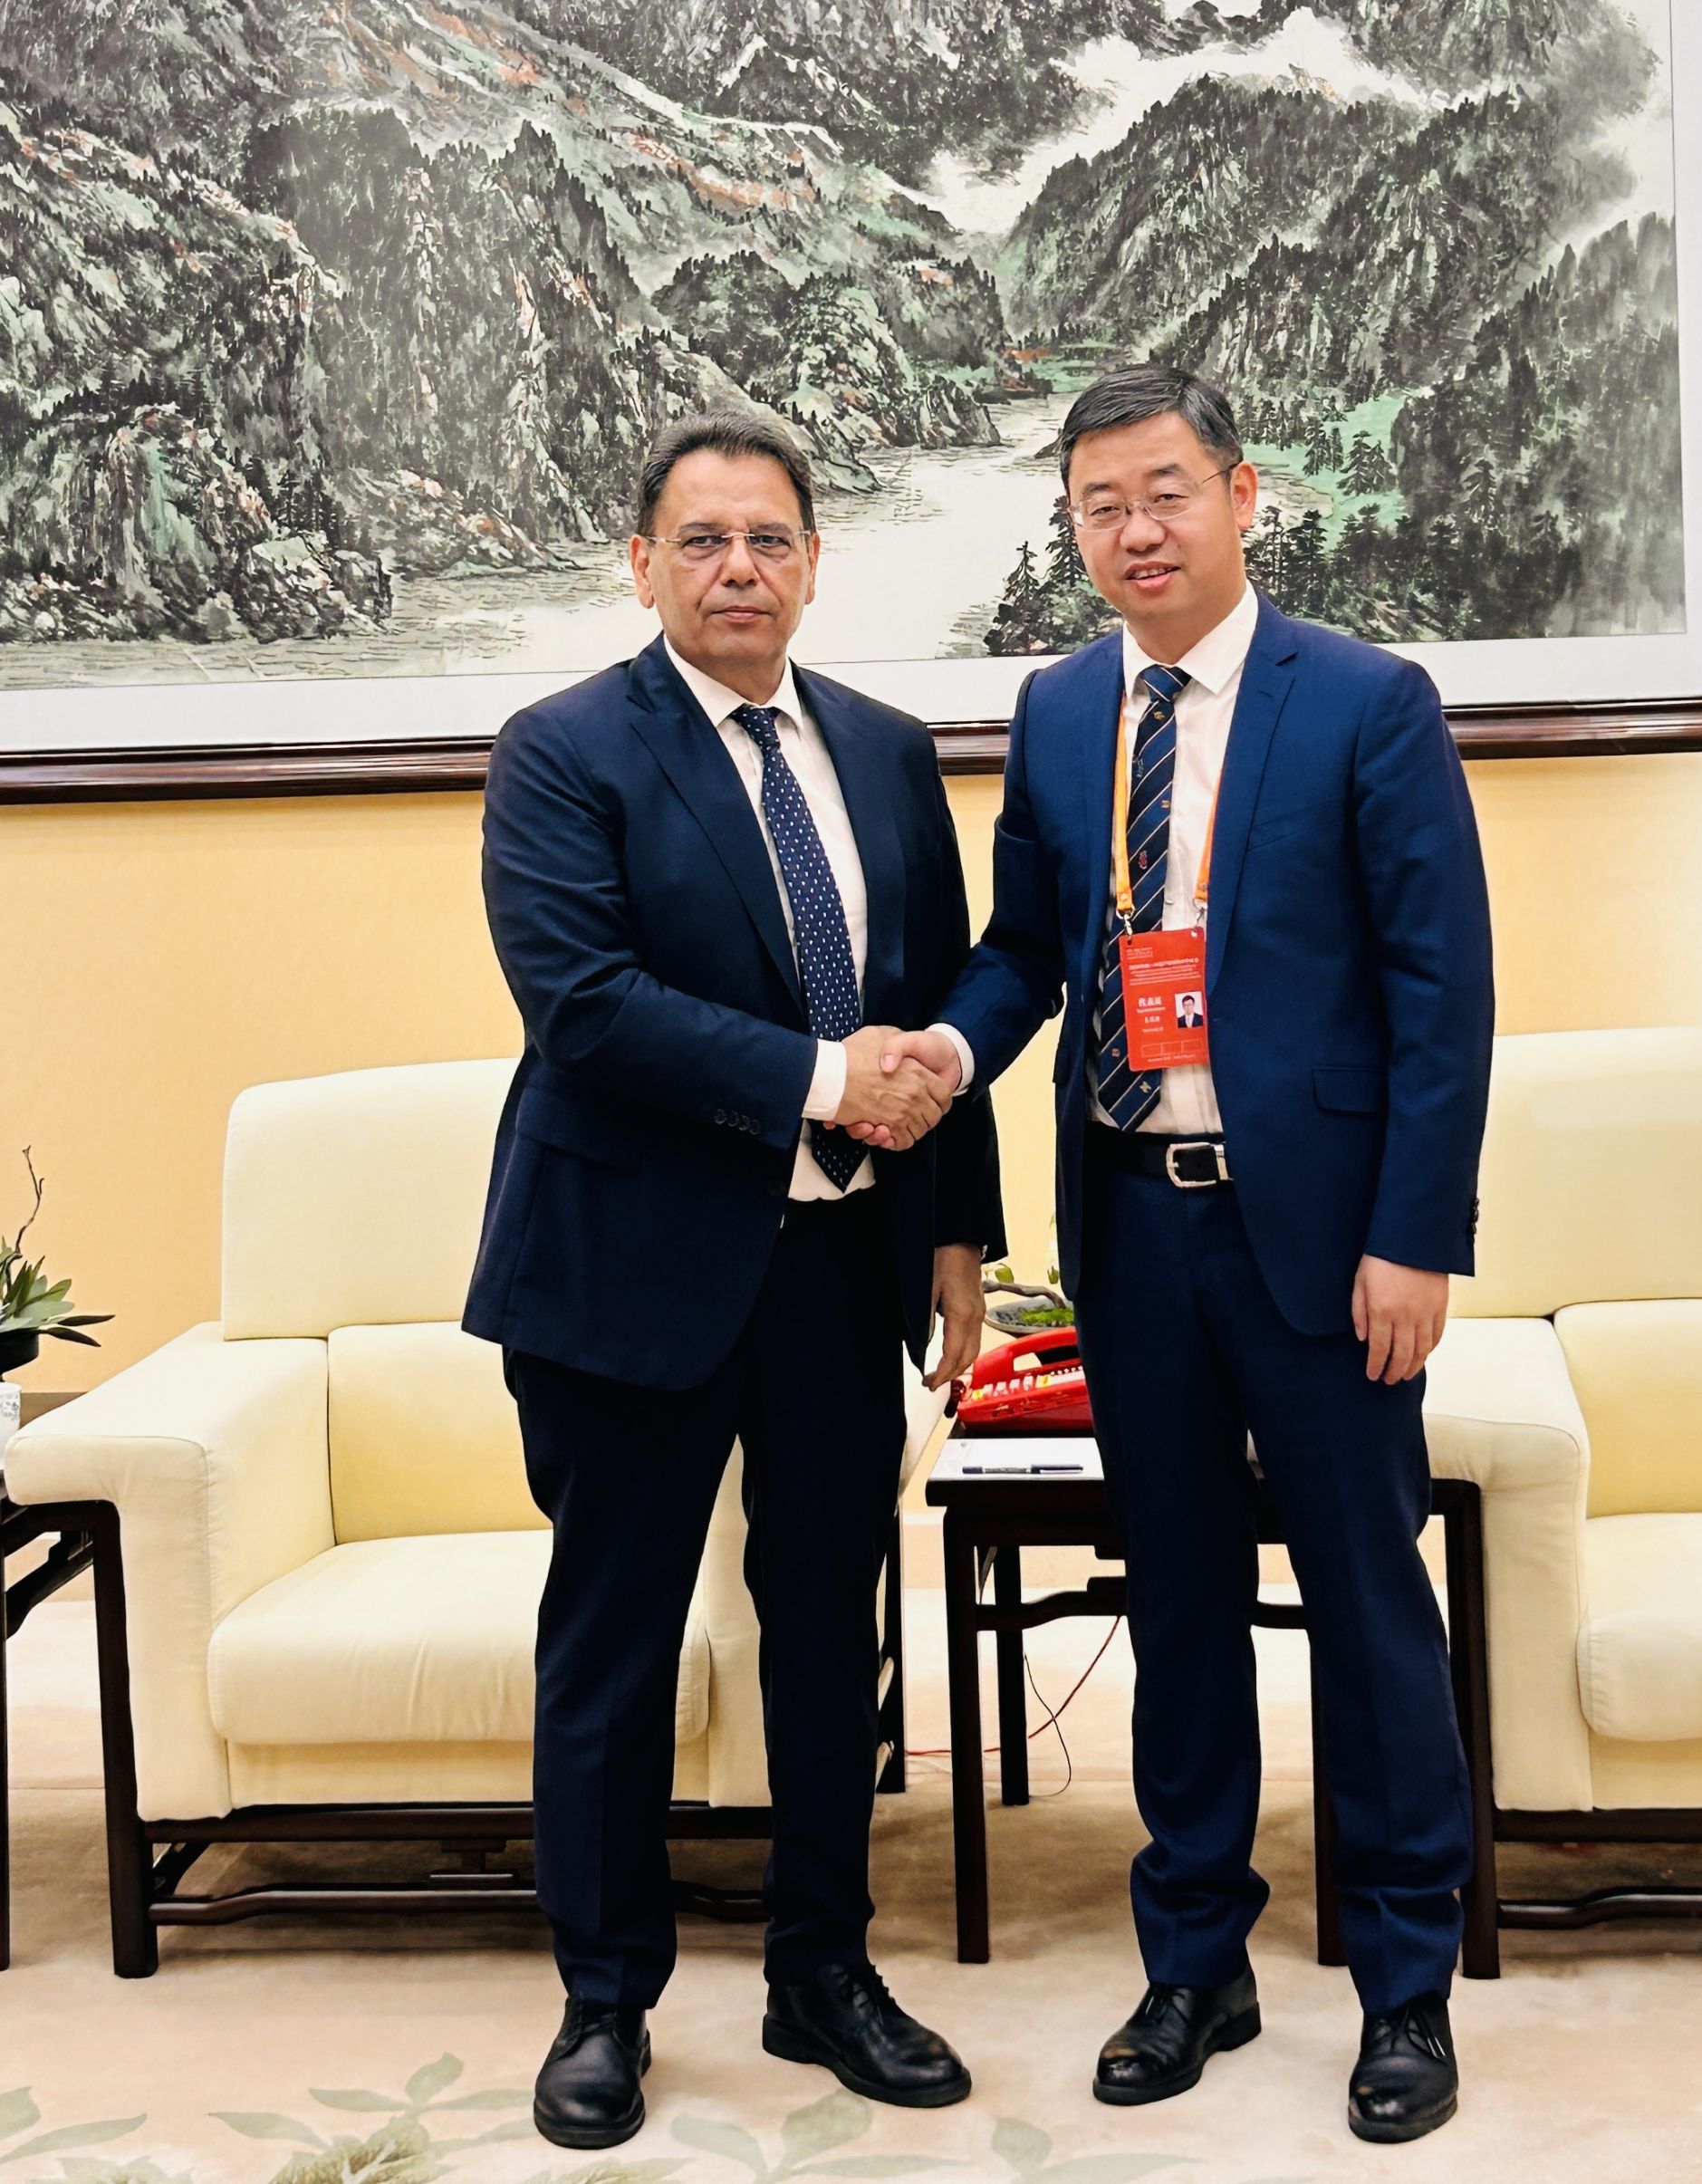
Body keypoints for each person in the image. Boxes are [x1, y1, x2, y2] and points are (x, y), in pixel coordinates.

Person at [874, 364, 1494, 2144]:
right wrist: (945, 1052)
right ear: (1073, 527)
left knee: (1369, 1608)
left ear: (1240, 493)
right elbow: (1026, 949)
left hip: (1325, 1244)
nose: (1134, 531)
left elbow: (1441, 989)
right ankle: (1195, 1960)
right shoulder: (1063, 709)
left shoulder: (1366, 702)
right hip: (1134, 1228)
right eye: (1099, 505)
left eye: (1164, 493)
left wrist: (1415, 1237)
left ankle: (1403, 1984)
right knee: (1181, 1601)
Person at [464, 406, 1005, 2150]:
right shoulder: (562, 752)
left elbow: (935, 998)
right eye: (701, 540)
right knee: (613, 1642)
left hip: (840, 1267)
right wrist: (825, 1078)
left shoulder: (888, 751)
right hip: (627, 1268)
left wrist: (954, 1231)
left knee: (831, 1633)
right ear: (641, 566)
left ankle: (821, 1969)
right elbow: (586, 1004)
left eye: (769, 539)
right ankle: (602, 2000)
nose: (738, 569)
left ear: (815, 564)